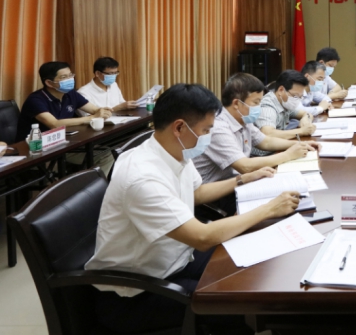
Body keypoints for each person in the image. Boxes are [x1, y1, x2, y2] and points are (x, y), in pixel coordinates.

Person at [86, 83, 300, 334]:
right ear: (179, 127)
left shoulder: (174, 150)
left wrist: (242, 179)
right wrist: (269, 209)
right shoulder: (142, 177)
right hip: (137, 292)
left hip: (176, 258)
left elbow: (196, 192)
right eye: (206, 130)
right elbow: (202, 237)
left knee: (253, 264)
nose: (209, 135)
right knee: (235, 299)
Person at [192, 73, 317, 211]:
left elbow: (266, 142)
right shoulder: (218, 127)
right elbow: (245, 167)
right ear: (237, 104)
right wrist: (288, 155)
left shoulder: (243, 119)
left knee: (292, 195)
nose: (259, 107)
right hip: (214, 194)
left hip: (234, 181)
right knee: (282, 203)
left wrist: (299, 145)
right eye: (256, 102)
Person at [16, 62, 114, 171]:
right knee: (102, 155)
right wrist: (91, 118)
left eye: (70, 75)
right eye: (64, 77)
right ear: (49, 83)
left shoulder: (71, 94)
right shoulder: (35, 100)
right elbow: (54, 124)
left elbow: (95, 110)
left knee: (105, 152)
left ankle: (86, 180)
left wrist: (102, 111)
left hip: (64, 143)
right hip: (37, 149)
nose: (70, 79)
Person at [254, 70, 316, 146]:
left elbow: (306, 113)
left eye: (300, 97)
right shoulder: (268, 106)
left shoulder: (285, 103)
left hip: (279, 147)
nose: (297, 100)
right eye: (295, 96)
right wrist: (302, 131)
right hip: (266, 152)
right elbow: (268, 133)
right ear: (281, 90)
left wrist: (305, 118)